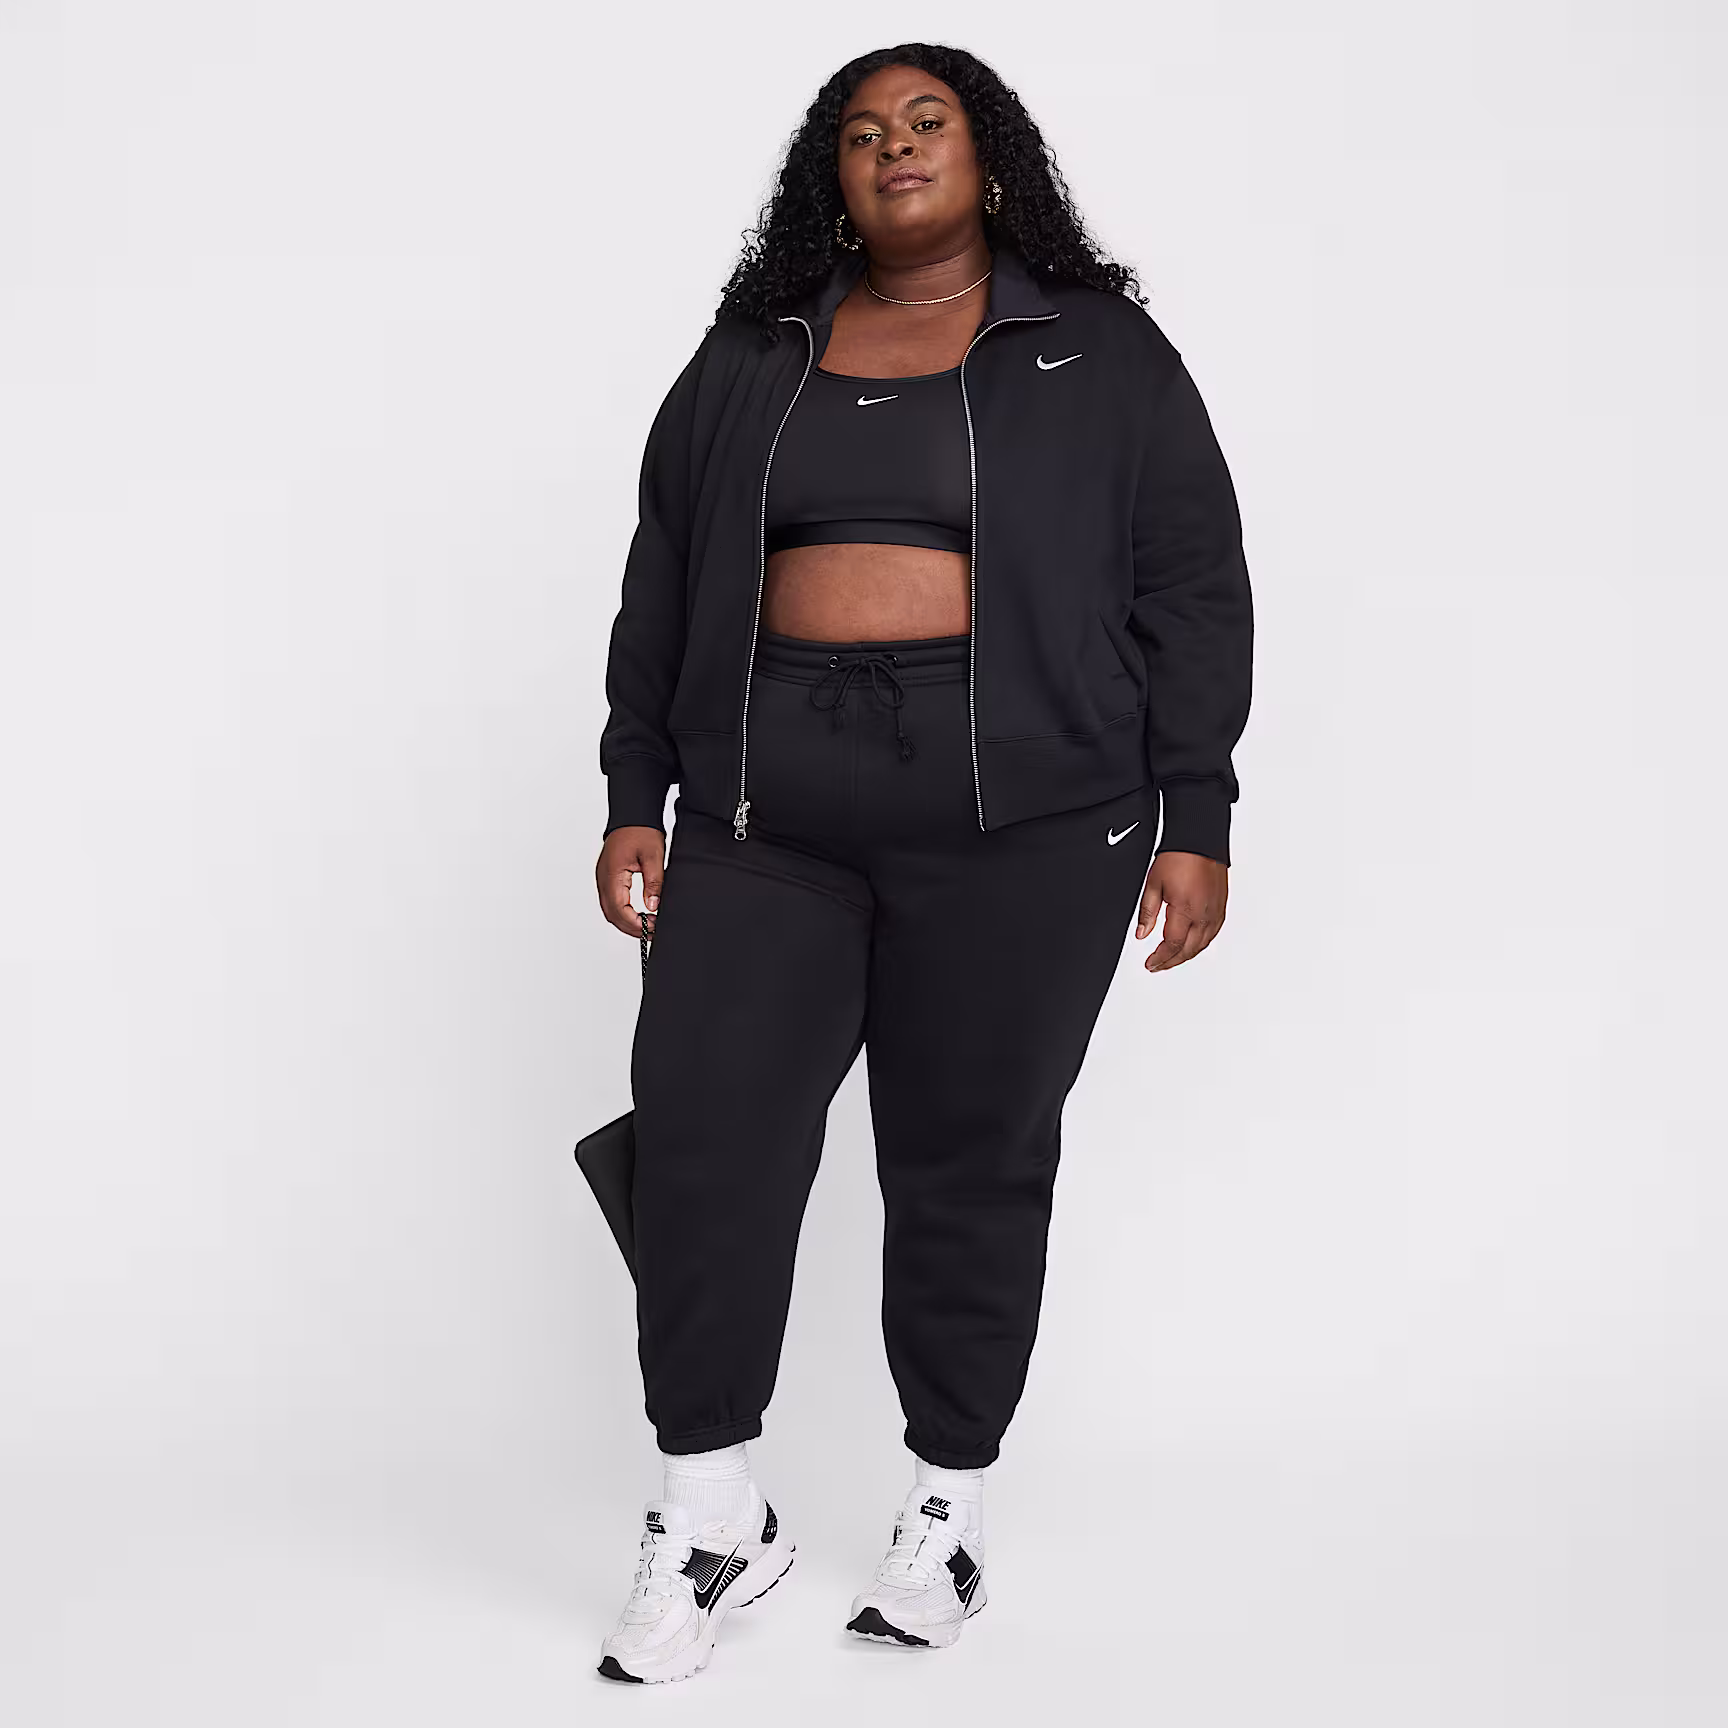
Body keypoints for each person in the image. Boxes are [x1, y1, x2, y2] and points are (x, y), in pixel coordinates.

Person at [590, 42, 1253, 1683]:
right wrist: (633, 786)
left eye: (927, 121)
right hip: (765, 818)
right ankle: (710, 1510)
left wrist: (1197, 810)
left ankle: (946, 1503)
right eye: (862, 132)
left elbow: (1191, 580)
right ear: (830, 175)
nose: (893, 146)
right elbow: (664, 568)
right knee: (702, 1137)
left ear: (989, 156)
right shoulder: (754, 351)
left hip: (1029, 829)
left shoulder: (1096, 352)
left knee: (968, 1159)